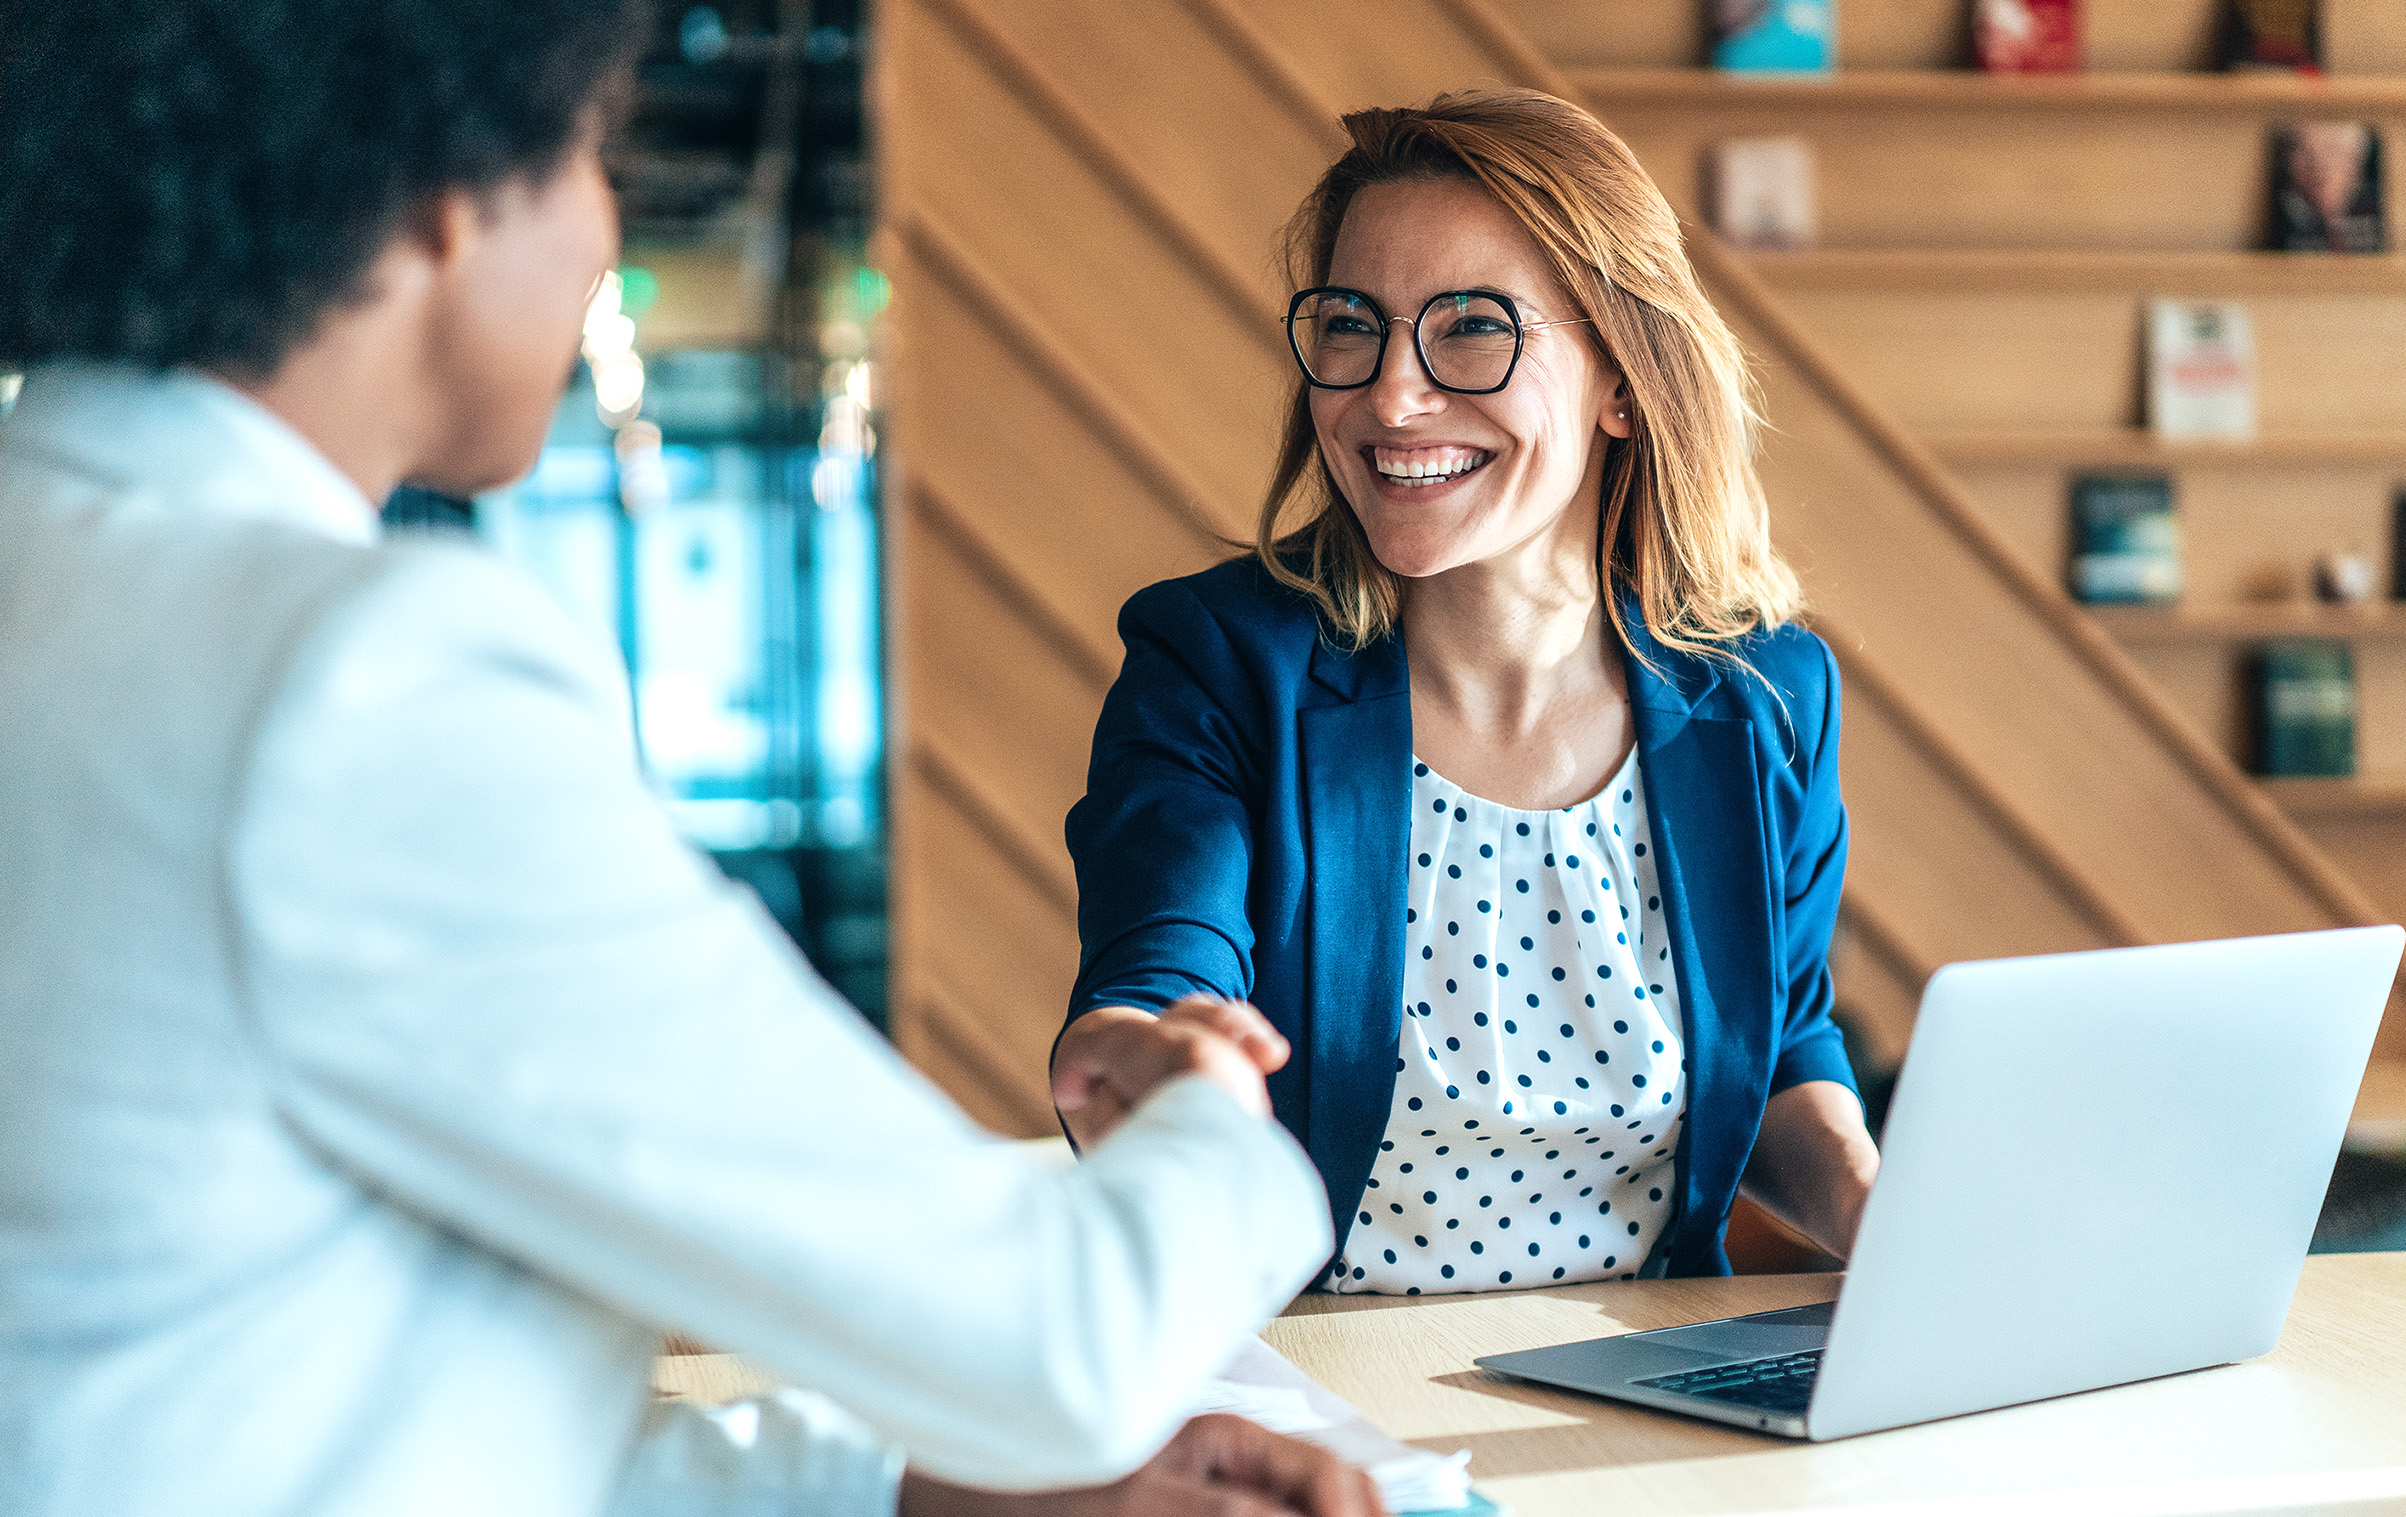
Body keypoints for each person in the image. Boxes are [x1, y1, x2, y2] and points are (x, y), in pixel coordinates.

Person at [0, 5, 1379, 1515]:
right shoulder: (351, 682)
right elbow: (1061, 1345)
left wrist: (919, 1498)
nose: (605, 227)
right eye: (594, 153)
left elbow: (275, 1397)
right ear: (443, 201)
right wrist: (1213, 1120)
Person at [1053, 91, 1880, 1295]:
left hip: (1646, 1383)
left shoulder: (1767, 694)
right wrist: (1141, 1056)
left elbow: (1785, 1038)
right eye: (1352, 325)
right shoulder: (1218, 659)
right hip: (1316, 1385)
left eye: (1474, 329)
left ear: (1622, 379)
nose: (1391, 398)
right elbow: (1157, 970)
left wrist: (1877, 1208)